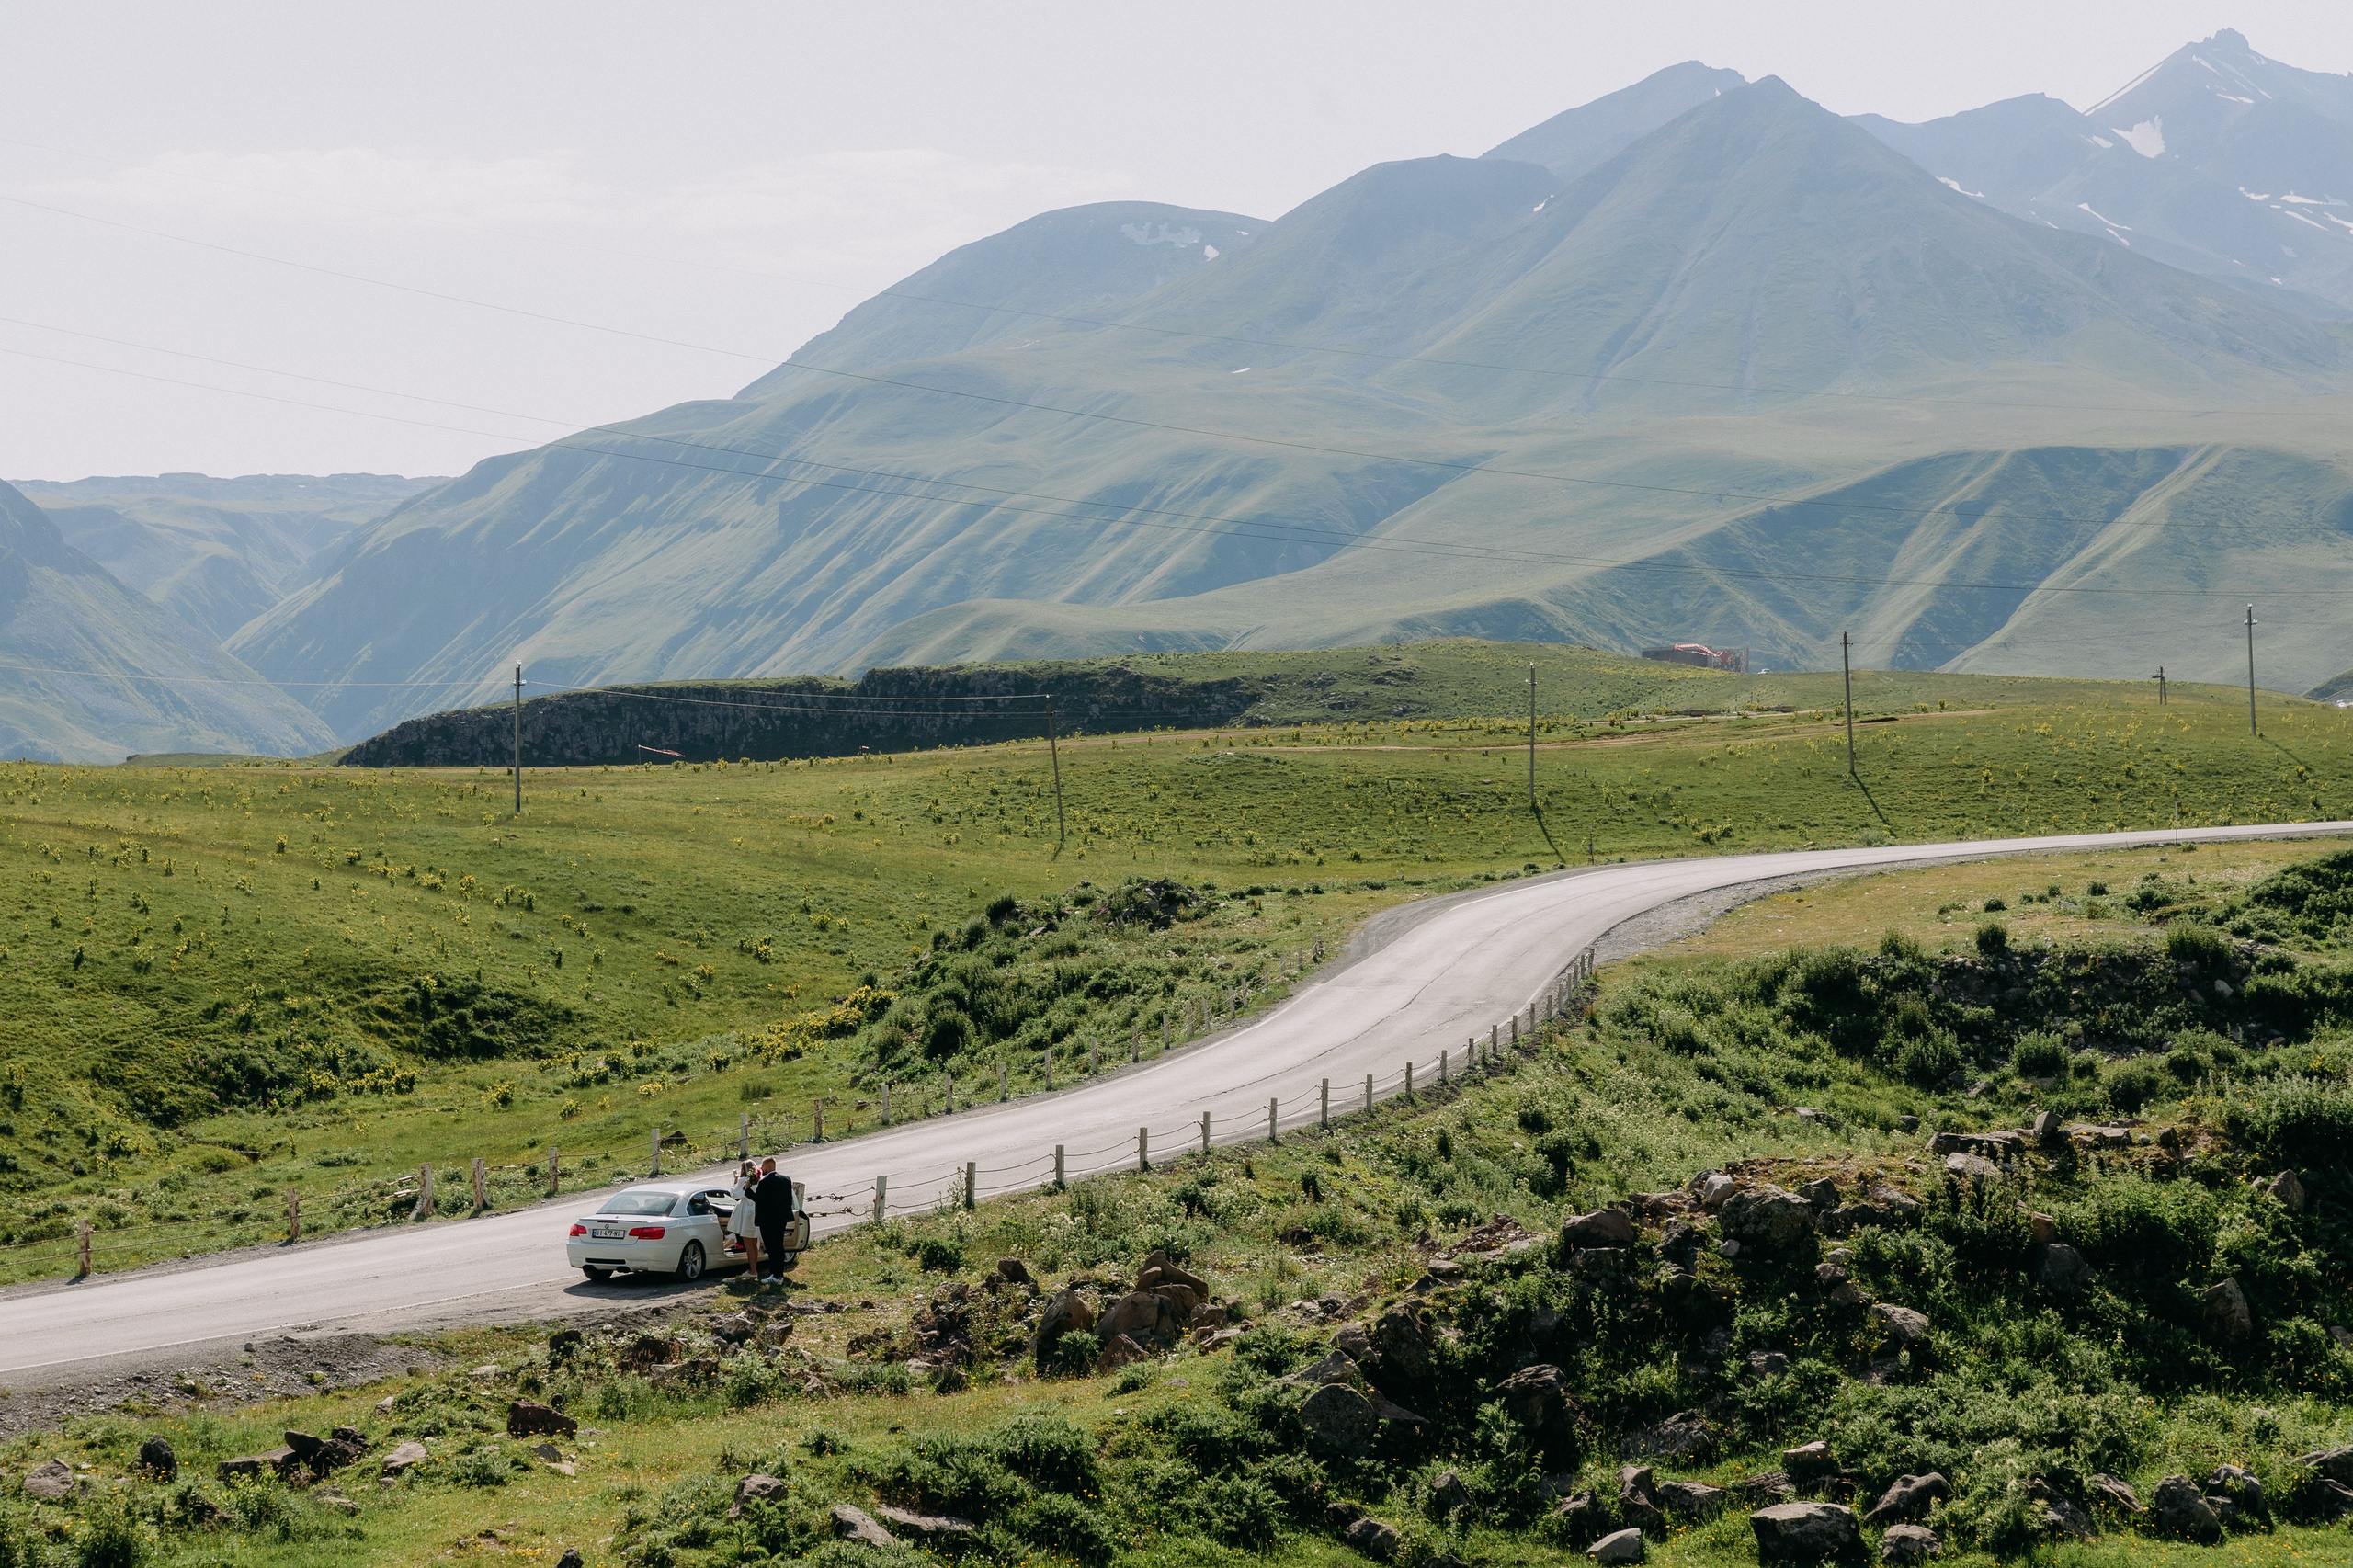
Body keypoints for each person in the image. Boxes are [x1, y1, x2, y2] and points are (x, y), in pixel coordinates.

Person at [751, 1157, 796, 1284]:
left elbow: (759, 1200)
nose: (762, 1169)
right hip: (781, 1219)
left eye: (763, 1166)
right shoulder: (786, 1180)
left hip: (768, 1220)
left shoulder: (765, 1182)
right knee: (778, 1246)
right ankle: (778, 1274)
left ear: (769, 1167)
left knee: (771, 1247)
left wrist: (748, 1190)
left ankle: (776, 1275)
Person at [728, 1160, 761, 1278]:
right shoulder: (758, 1180)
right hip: (755, 1210)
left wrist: (735, 1181)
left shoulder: (743, 1181)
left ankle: (752, 1270)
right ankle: (754, 1268)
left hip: (746, 1212)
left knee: (748, 1243)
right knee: (754, 1242)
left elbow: (734, 1194)